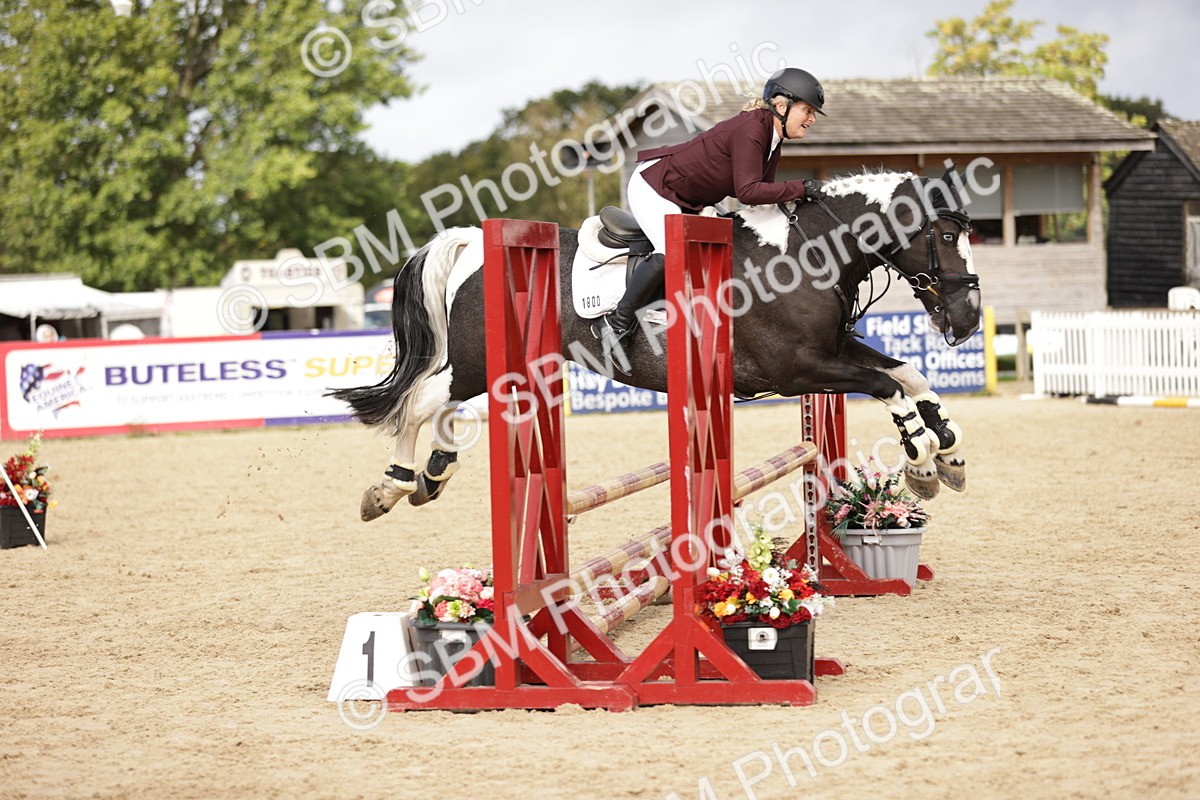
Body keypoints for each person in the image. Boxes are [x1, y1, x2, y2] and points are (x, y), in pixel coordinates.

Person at [594, 67, 828, 371]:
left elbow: (763, 196)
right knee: (671, 250)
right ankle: (616, 323)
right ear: (782, 106)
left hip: (691, 197)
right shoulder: (752, 129)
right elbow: (748, 191)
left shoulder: (773, 140)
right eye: (808, 110)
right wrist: (803, 187)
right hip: (655, 186)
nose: (811, 119)